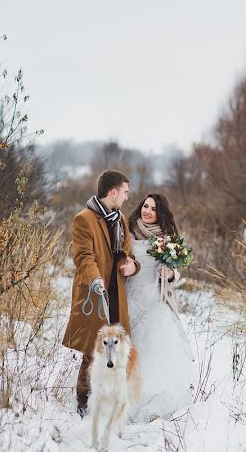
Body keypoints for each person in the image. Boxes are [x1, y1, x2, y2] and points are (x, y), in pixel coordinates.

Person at [63, 170, 140, 418]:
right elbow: (83, 256)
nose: (127, 197)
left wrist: (133, 266)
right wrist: (95, 279)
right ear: (113, 192)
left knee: (116, 347)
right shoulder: (84, 219)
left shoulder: (121, 219)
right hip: (94, 293)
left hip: (117, 292)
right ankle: (83, 399)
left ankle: (109, 397)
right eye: (125, 192)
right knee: (92, 349)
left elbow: (128, 253)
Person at [126, 193, 196, 422]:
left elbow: (175, 268)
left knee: (153, 354)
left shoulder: (166, 238)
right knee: (129, 352)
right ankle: (122, 400)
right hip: (129, 299)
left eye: (153, 209)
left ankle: (151, 404)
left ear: (160, 214)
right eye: (145, 206)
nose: (147, 211)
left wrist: (171, 272)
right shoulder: (128, 230)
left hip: (155, 302)